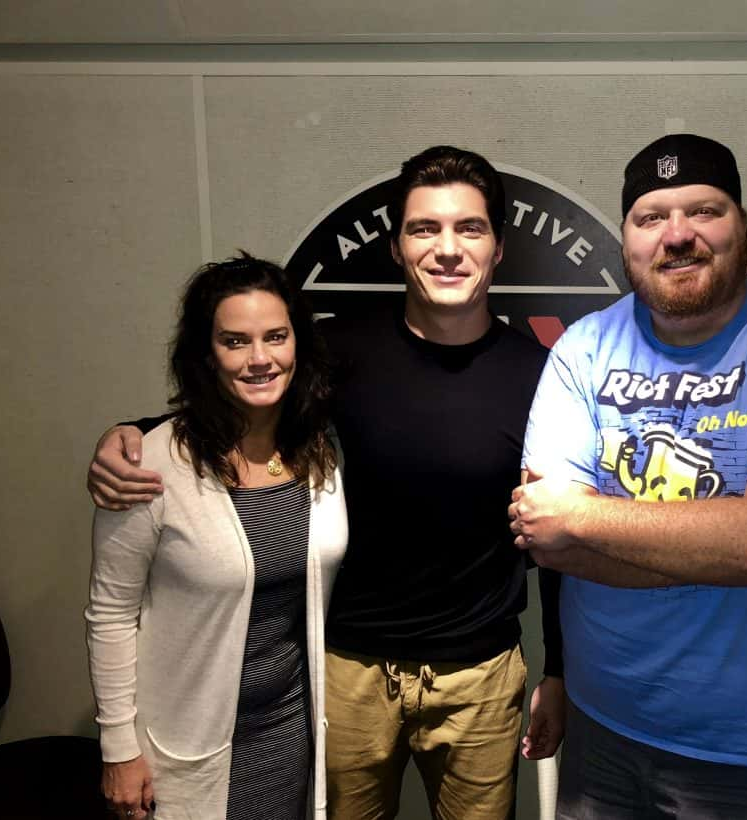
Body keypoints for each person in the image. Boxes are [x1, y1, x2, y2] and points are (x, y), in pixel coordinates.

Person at [87, 146, 564, 820]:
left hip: (481, 674)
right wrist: (132, 433)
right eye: (424, 228)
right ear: (396, 247)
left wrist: (560, 670)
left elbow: (561, 535)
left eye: (470, 228)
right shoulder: (335, 353)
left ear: (499, 247)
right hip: (346, 672)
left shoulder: (543, 374)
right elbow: (242, 396)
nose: (448, 248)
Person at [509, 133, 747, 819]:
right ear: (626, 240)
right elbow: (545, 539)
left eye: (703, 210)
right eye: (651, 218)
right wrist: (734, 547)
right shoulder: (583, 350)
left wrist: (586, 514)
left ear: (741, 224)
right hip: (602, 726)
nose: (677, 235)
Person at [85, 253, 347, 820]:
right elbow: (110, 614)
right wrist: (118, 750)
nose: (260, 359)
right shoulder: (148, 466)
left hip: (290, 729)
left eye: (276, 337)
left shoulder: (319, 452)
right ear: (207, 354)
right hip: (186, 741)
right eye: (236, 341)